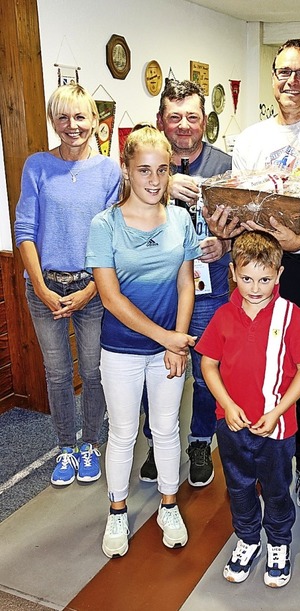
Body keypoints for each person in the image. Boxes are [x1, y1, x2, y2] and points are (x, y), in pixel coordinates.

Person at [205, 39, 300, 509]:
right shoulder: (250, 139)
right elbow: (240, 201)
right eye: (284, 72)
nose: (292, 81)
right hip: (254, 268)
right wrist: (224, 230)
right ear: (274, 76)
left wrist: (297, 243)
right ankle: (254, 456)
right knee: (248, 368)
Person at [86, 126, 200, 558]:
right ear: (127, 170)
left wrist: (177, 344)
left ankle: (169, 506)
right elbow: (111, 298)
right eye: (145, 170)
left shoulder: (181, 220)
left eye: (163, 170)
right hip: (122, 350)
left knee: (167, 429)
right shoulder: (105, 225)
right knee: (123, 432)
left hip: (168, 351)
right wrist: (168, 339)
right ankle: (117, 512)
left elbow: (185, 284)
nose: (154, 180)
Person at [198, 231, 300, 587]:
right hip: (232, 424)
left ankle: (279, 542)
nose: (255, 287)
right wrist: (228, 405)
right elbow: (208, 364)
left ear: (278, 275)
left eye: (265, 279)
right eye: (247, 278)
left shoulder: (291, 315)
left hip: (276, 428)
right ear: (233, 272)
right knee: (238, 487)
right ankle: (248, 538)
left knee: (277, 488)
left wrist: (279, 410)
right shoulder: (223, 315)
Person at [14, 84, 120, 486]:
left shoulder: (109, 171)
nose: (72, 125)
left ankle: (90, 442)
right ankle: (66, 448)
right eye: (63, 117)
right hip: (45, 289)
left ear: (95, 121)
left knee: (92, 372)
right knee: (57, 374)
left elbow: (112, 236)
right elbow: (25, 229)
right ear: (52, 122)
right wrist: (40, 287)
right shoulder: (37, 165)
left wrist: (92, 288)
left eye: (80, 116)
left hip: (92, 289)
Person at [138, 80, 232, 488]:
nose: (183, 125)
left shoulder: (227, 164)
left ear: (204, 121)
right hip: (157, 292)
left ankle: (198, 441)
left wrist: (225, 242)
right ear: (161, 120)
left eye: (192, 117)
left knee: (204, 372)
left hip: (210, 289)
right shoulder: (147, 162)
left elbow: (251, 224)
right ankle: (159, 443)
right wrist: (162, 189)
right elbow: (122, 213)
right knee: (154, 370)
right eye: (174, 117)